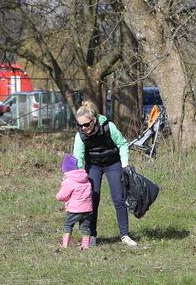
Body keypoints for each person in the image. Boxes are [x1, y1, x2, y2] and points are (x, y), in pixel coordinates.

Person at [73, 100, 137, 247]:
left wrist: (125, 164)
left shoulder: (109, 126)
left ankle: (125, 235)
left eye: (86, 124)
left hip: (112, 163)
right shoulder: (80, 135)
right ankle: (91, 235)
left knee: (118, 198)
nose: (84, 128)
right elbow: (78, 157)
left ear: (94, 120)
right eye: (80, 125)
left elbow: (122, 144)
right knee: (92, 199)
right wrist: (76, 176)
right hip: (93, 165)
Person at [55, 153, 93, 249]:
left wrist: (58, 196)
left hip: (75, 210)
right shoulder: (86, 179)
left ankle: (65, 245)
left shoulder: (69, 181)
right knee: (85, 227)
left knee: (68, 225)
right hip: (88, 209)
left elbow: (62, 196)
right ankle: (86, 246)